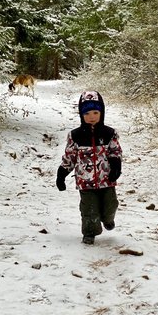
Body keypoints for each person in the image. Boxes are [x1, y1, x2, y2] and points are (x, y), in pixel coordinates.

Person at [56, 91, 122, 245]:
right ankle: (90, 232)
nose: (91, 116)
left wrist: (116, 167)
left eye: (95, 112)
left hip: (107, 179)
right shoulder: (75, 136)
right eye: (87, 113)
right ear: (81, 114)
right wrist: (62, 174)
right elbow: (70, 157)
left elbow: (115, 151)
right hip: (85, 182)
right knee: (89, 209)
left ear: (102, 112)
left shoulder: (109, 134)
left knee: (110, 205)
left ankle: (108, 219)